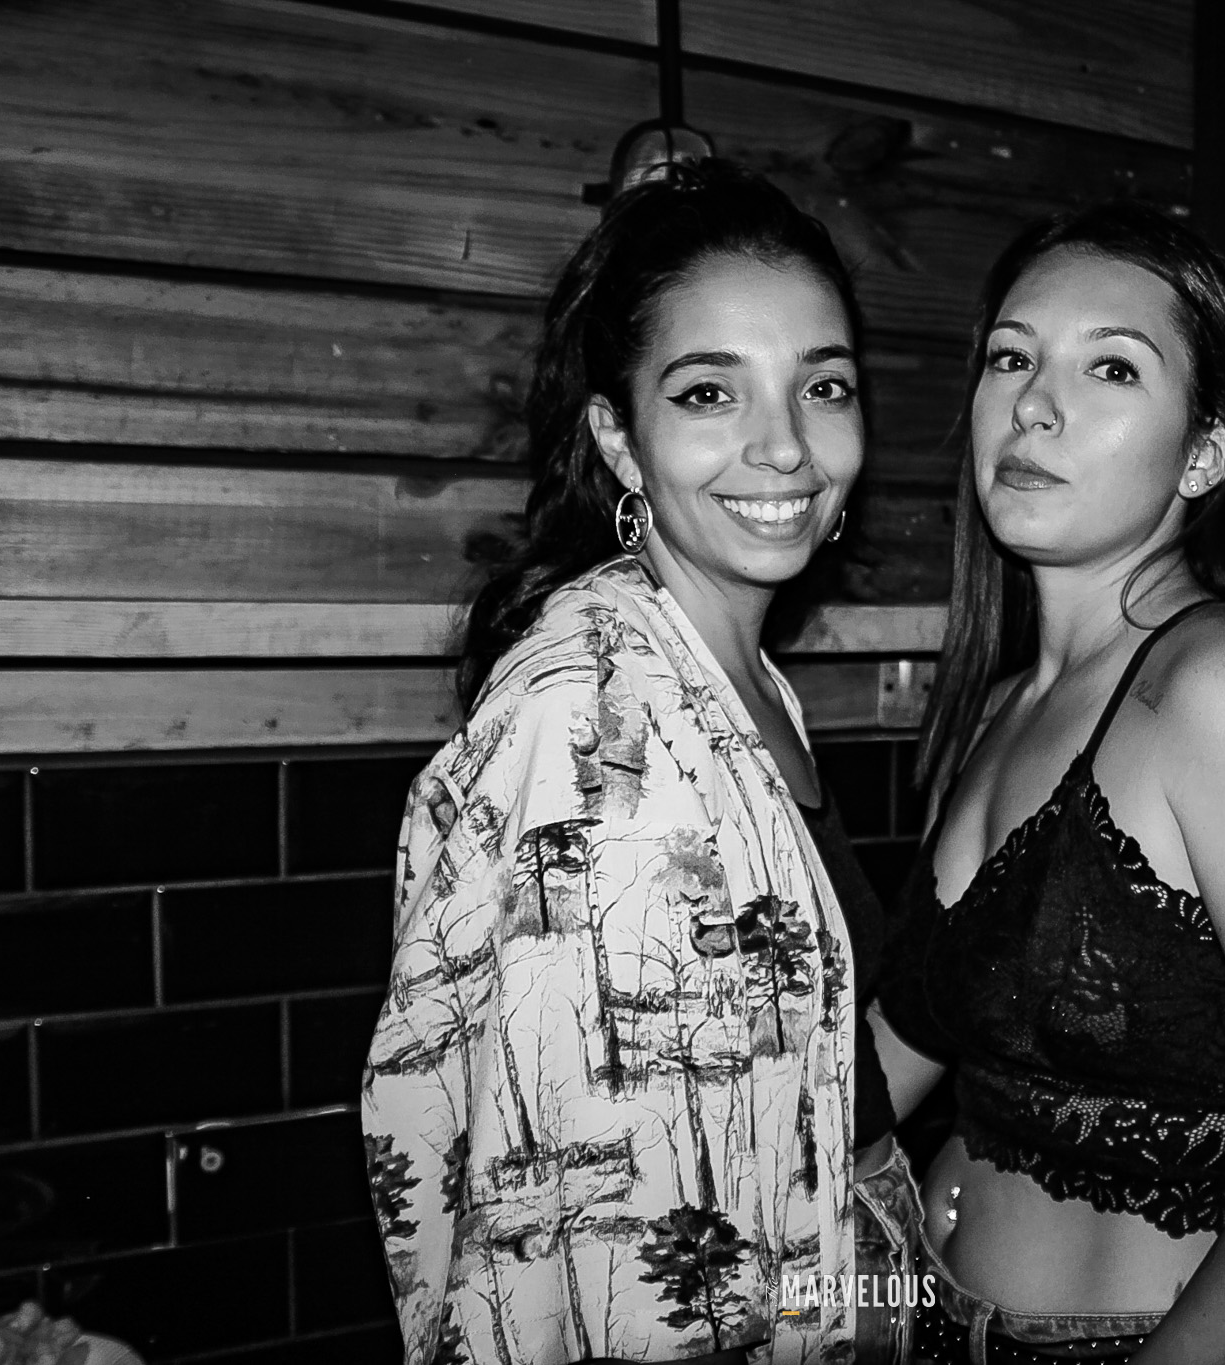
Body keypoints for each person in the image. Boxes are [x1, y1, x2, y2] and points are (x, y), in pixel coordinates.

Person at [363, 157, 905, 1365]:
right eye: (710, 393)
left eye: (822, 387)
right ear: (618, 437)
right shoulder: (593, 719)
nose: (784, 447)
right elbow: (571, 1225)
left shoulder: (734, 676)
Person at [873, 203, 1225, 1365]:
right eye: (1010, 358)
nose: (1034, 404)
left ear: (1203, 453)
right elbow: (905, 1045)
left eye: (1110, 367)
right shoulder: (995, 709)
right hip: (922, 1316)